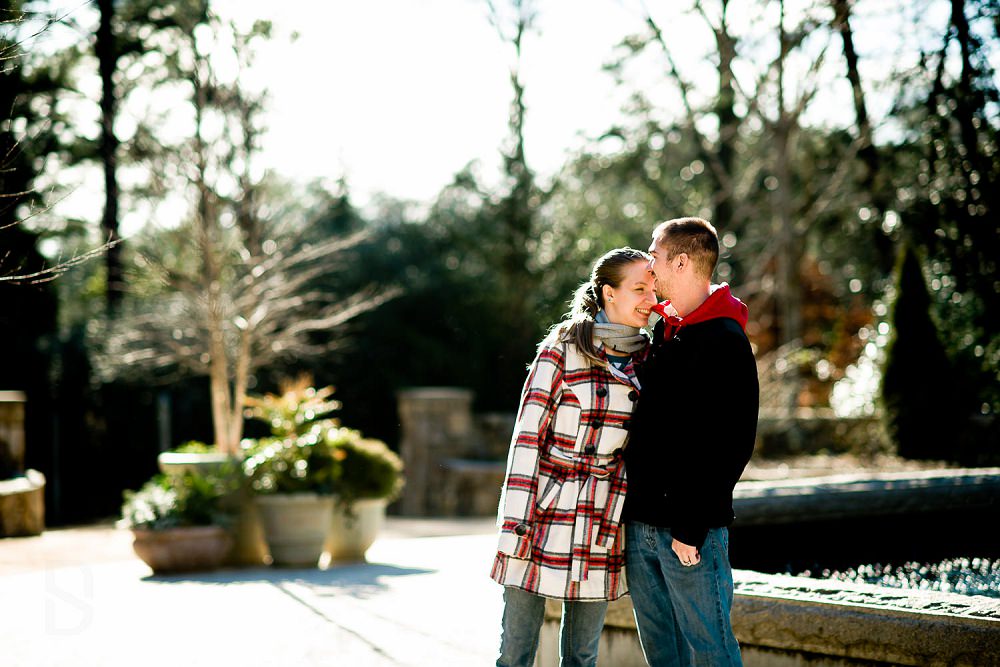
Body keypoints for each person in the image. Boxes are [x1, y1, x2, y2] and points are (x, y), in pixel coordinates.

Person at [492, 247, 657, 667]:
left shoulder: (649, 359)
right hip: (542, 511)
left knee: (582, 657)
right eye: (639, 289)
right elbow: (526, 440)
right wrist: (514, 524)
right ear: (609, 293)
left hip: (603, 517)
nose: (650, 302)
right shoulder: (562, 348)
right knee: (516, 652)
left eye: (653, 291)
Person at [623, 217, 759, 667]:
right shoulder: (666, 332)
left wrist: (691, 525)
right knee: (664, 658)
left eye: (655, 255)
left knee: (711, 655)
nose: (649, 264)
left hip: (688, 534)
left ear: (681, 261)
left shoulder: (725, 339)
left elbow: (731, 444)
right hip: (642, 524)